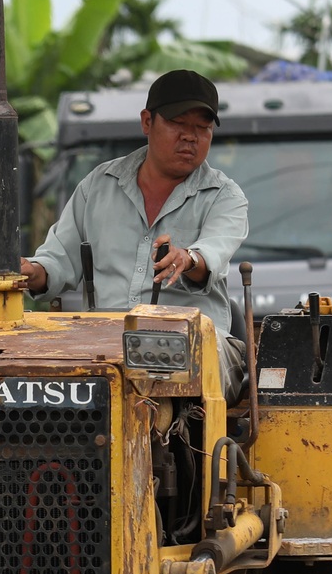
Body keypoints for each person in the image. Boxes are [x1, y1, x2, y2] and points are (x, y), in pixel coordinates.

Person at [21, 70, 248, 392]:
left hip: (191, 340)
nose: (190, 136)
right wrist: (32, 270)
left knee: (168, 371)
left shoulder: (225, 196)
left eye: (202, 128)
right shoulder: (97, 185)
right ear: (147, 122)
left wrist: (189, 259)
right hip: (100, 340)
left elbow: (212, 252)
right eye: (178, 124)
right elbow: (59, 258)